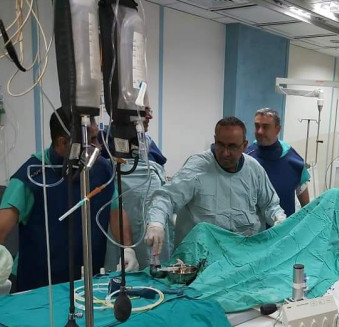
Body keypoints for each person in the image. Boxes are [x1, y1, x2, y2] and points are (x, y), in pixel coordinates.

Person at [0, 108, 138, 292]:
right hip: (38, 286)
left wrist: (127, 248)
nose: (98, 146)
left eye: (98, 138)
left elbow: (116, 212)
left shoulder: (101, 169)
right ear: (63, 142)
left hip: (87, 282)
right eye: (91, 141)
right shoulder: (31, 176)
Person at [144, 116, 286, 257]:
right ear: (215, 140)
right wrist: (156, 223)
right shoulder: (197, 167)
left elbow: (270, 205)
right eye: (220, 145)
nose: (225, 153)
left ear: (244, 145)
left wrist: (279, 219)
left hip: (242, 255)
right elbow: (166, 197)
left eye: (232, 146)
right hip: (199, 256)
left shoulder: (254, 169)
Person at [102, 106, 173, 270]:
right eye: (144, 112)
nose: (149, 117)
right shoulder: (105, 142)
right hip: (120, 230)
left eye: (149, 112)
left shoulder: (148, 144)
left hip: (152, 227)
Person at [245, 108, 310, 218]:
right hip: (252, 226)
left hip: (284, 225)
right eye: (257, 126)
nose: (260, 131)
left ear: (277, 129)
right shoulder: (246, 158)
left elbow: (305, 201)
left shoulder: (293, 161)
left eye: (265, 127)